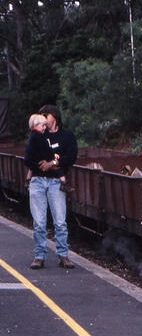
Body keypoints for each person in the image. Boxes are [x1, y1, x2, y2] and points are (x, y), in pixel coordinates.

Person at [24, 105, 78, 270]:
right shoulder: (38, 134)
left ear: (54, 116)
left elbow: (71, 156)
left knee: (60, 221)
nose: (42, 118)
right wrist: (29, 177)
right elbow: (30, 155)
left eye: (44, 115)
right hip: (38, 181)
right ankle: (39, 256)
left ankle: (63, 255)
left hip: (56, 182)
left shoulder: (67, 136)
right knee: (39, 222)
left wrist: (52, 163)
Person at [25, 113, 69, 190]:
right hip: (39, 161)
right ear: (35, 126)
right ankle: (63, 182)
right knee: (57, 168)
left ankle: (28, 179)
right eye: (43, 126)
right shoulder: (39, 136)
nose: (44, 128)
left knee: (31, 168)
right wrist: (52, 157)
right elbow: (45, 149)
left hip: (32, 160)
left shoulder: (31, 136)